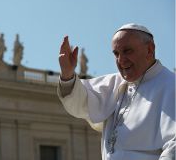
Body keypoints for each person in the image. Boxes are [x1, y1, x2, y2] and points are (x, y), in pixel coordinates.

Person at [57, 23, 175, 160]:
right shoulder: (113, 84)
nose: (121, 60)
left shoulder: (171, 85)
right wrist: (67, 74)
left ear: (149, 50)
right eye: (116, 53)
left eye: (127, 51)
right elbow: (80, 103)